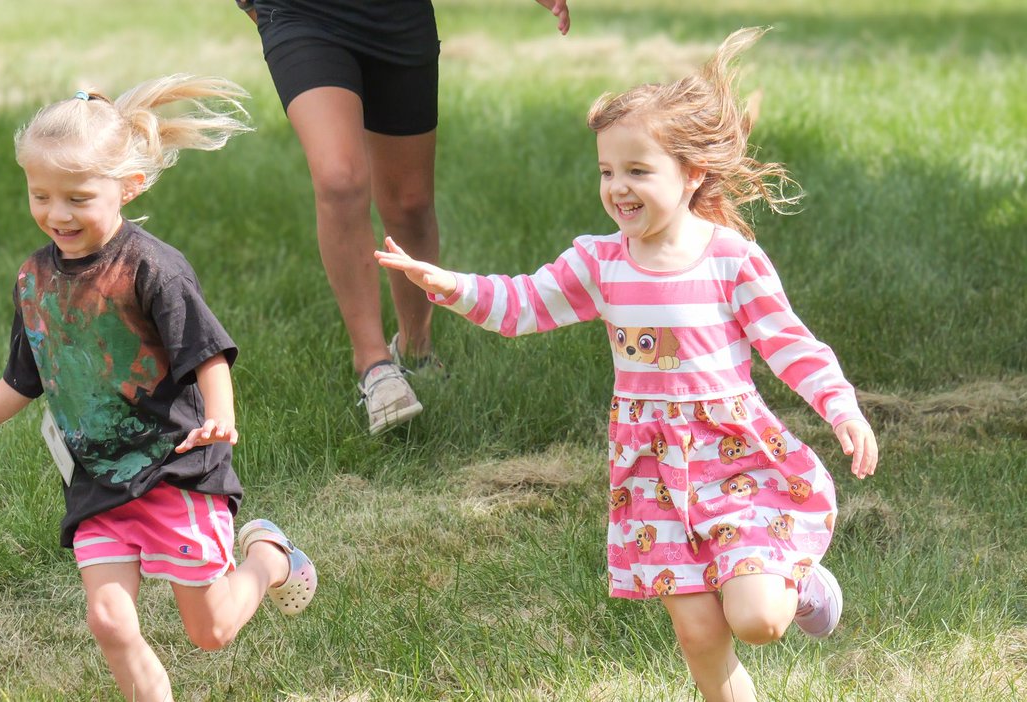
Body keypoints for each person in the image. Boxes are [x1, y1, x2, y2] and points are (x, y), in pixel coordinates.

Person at [376, 28, 879, 702]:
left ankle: (802, 580)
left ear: (692, 174)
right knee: (700, 633)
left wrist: (840, 406)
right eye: (607, 172)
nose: (618, 188)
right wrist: (448, 284)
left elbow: (788, 342)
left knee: (756, 621)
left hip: (732, 459)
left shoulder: (730, 258)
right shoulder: (599, 262)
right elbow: (522, 303)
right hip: (652, 470)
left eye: (639, 171)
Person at [0, 76, 317, 702]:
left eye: (77, 196)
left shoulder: (154, 268)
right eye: (40, 194)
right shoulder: (34, 278)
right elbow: (25, 377)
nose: (56, 213)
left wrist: (222, 418)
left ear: (129, 186)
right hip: (97, 476)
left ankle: (269, 555)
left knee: (211, 630)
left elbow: (207, 355)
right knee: (109, 620)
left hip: (176, 467)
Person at [233, 0, 572, 434]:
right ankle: (374, 364)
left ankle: (416, 347)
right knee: (339, 180)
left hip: (397, 15)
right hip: (301, 14)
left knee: (409, 202)